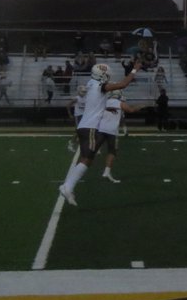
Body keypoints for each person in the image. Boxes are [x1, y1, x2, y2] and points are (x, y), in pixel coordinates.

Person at [58, 60, 142, 206]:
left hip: (84, 126)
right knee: (87, 158)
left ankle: (68, 186)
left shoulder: (91, 83)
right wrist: (134, 70)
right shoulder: (99, 85)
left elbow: (96, 102)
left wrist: (105, 109)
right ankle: (67, 187)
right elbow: (123, 85)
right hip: (90, 127)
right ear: (103, 75)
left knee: (87, 158)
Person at [96, 89, 144, 183]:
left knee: (93, 150)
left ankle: (82, 166)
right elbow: (131, 110)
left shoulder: (104, 102)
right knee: (112, 151)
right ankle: (107, 171)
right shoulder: (119, 103)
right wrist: (140, 106)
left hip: (101, 129)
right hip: (111, 131)